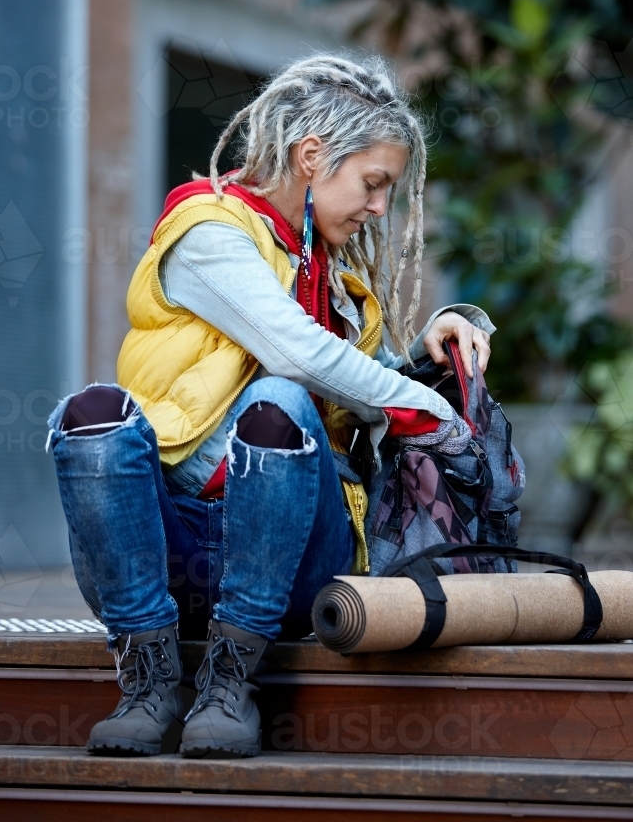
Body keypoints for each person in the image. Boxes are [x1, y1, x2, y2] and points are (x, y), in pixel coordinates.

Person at [48, 54, 493, 759]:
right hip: (175, 553)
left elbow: (349, 378)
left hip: (297, 572)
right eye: (373, 183)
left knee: (280, 401)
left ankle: (232, 679)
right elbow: (297, 351)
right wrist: (431, 412)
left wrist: (420, 353)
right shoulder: (208, 233)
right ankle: (147, 679)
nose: (381, 207)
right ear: (312, 156)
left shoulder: (330, 271)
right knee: (92, 413)